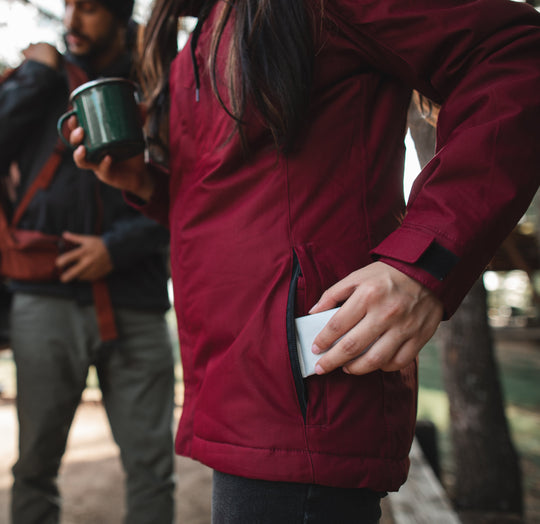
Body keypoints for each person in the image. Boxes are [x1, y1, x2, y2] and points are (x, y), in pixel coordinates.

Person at [71, 0, 540, 522]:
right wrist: (141, 182)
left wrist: (423, 261)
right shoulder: (196, 39)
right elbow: (229, 201)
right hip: (233, 387)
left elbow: (517, 56)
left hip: (307, 389)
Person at [0, 1, 176, 523]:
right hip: (44, 297)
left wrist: (115, 248)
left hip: (136, 301)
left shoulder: (164, 77)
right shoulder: (41, 80)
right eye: (68, 5)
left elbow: (197, 185)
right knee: (33, 466)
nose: (72, 22)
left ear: (122, 14)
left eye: (91, 8)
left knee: (152, 468)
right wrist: (33, 75)